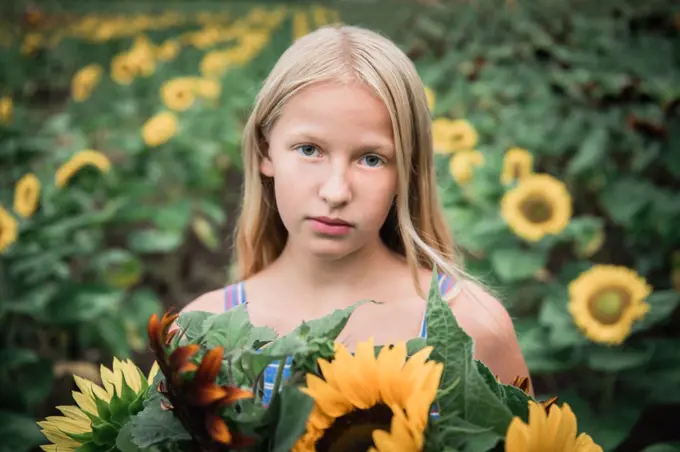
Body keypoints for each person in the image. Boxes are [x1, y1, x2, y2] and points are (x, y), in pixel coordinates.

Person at [180, 24, 531, 404]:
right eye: (309, 149)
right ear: (266, 153)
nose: (335, 192)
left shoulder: (472, 327)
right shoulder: (201, 334)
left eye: (371, 159)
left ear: (407, 172)